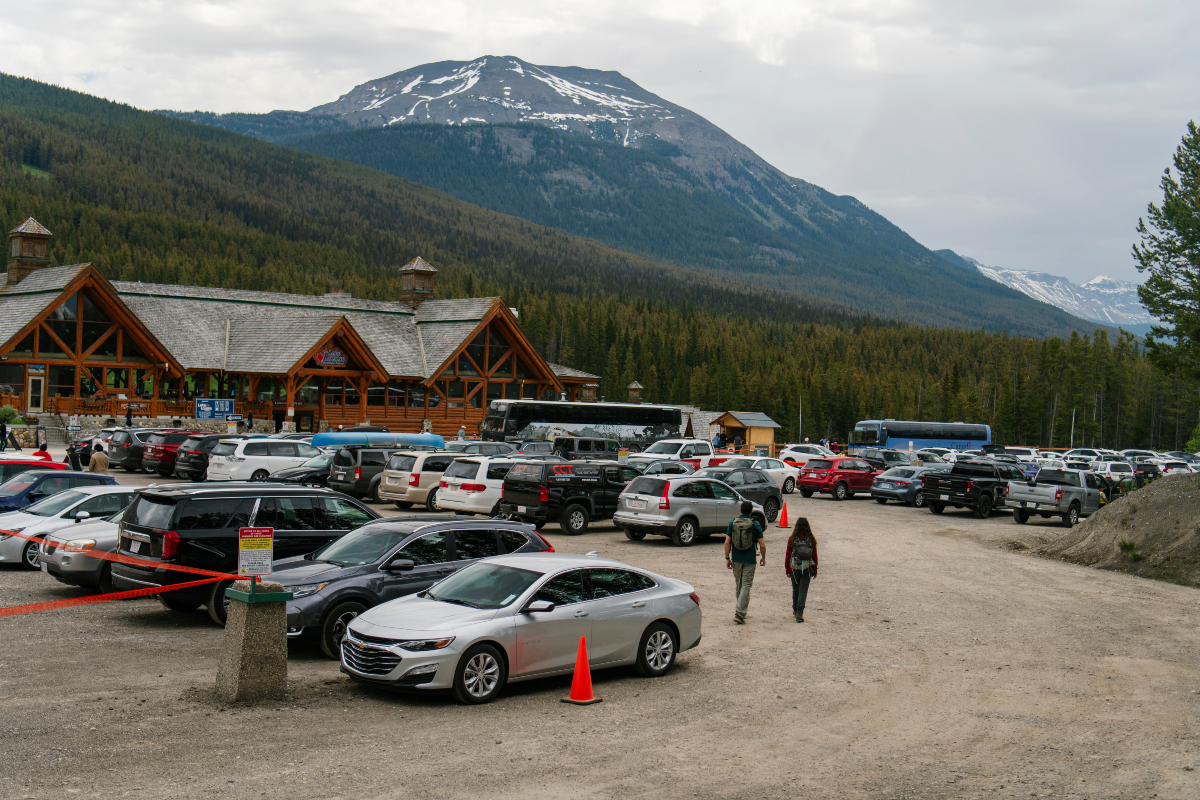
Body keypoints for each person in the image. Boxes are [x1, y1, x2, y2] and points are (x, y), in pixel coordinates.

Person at [724, 500, 766, 625]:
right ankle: (740, 612)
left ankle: (740, 609)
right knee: (746, 585)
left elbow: (727, 542)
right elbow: (762, 545)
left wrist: (727, 558)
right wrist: (763, 557)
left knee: (739, 585)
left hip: (736, 558)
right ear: (751, 511)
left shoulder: (733, 523)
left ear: (740, 510)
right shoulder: (755, 524)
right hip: (750, 559)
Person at [784, 518, 819, 622]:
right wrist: (815, 569)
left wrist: (787, 569)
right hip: (807, 568)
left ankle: (795, 609)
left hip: (794, 568)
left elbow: (787, 555)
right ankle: (800, 612)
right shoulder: (811, 539)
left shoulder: (792, 539)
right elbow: (815, 556)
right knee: (803, 590)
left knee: (795, 589)